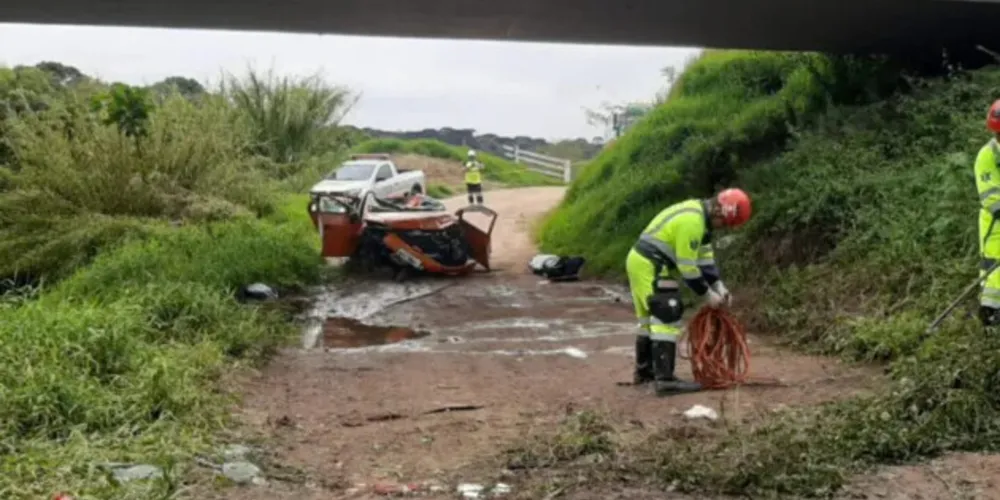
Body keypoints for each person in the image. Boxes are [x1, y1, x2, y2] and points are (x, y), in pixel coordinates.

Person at [626, 188, 752, 395]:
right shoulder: (693, 222)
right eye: (726, 224)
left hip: (642, 262)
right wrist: (707, 294)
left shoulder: (701, 220)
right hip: (650, 264)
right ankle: (665, 380)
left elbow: (705, 259)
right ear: (720, 212)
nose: (723, 228)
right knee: (666, 313)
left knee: (648, 321)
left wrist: (718, 285)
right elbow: (688, 267)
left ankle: (645, 373)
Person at [976, 100, 1000, 326]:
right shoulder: (987, 156)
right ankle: (990, 314)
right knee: (994, 270)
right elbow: (991, 196)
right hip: (995, 226)